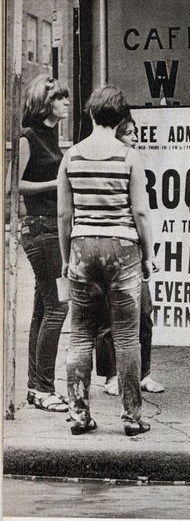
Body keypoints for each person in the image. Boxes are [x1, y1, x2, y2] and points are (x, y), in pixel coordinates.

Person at [57, 85, 154, 436]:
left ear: (91, 114)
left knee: (80, 333)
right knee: (128, 336)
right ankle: (132, 417)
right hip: (123, 247)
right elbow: (140, 212)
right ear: (120, 117)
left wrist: (68, 259)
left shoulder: (73, 156)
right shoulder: (129, 157)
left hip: (82, 246)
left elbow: (63, 215)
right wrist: (149, 256)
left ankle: (79, 415)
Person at [13, 75, 70, 412]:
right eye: (60, 99)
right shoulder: (28, 137)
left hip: (51, 228)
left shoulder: (53, 137)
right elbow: (15, 185)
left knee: (43, 308)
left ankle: (37, 387)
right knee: (58, 307)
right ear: (45, 103)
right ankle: (44, 387)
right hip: (39, 229)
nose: (65, 103)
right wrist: (55, 183)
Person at [96, 117, 164, 396]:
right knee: (106, 316)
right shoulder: (111, 163)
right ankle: (111, 375)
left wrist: (148, 250)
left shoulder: (133, 161)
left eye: (135, 133)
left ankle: (143, 372)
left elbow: (142, 212)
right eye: (129, 133)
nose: (134, 138)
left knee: (144, 312)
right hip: (112, 245)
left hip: (132, 245)